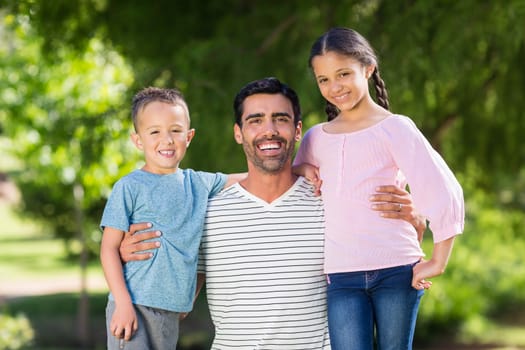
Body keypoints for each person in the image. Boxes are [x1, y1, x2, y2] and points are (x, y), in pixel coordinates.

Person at [119, 78, 427, 349]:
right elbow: (176, 299)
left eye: (280, 119)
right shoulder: (207, 211)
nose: (269, 130)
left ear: (297, 130)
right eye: (255, 120)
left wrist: (414, 220)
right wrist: (127, 254)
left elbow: (389, 256)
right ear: (238, 133)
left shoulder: (330, 199)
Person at [293, 27, 465, 350]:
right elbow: (292, 188)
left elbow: (443, 187)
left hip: (397, 271)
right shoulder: (314, 138)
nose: (334, 87)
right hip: (341, 276)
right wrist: (301, 167)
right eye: (324, 79)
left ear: (368, 69)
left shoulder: (395, 128)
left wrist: (437, 261)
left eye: (343, 74)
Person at [99, 87, 243, 349]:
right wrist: (122, 303)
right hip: (134, 304)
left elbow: (251, 178)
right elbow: (108, 248)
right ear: (138, 140)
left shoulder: (197, 182)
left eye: (175, 130)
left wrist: (297, 168)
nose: (166, 139)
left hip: (171, 312)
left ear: (189, 136)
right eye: (154, 131)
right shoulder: (130, 186)